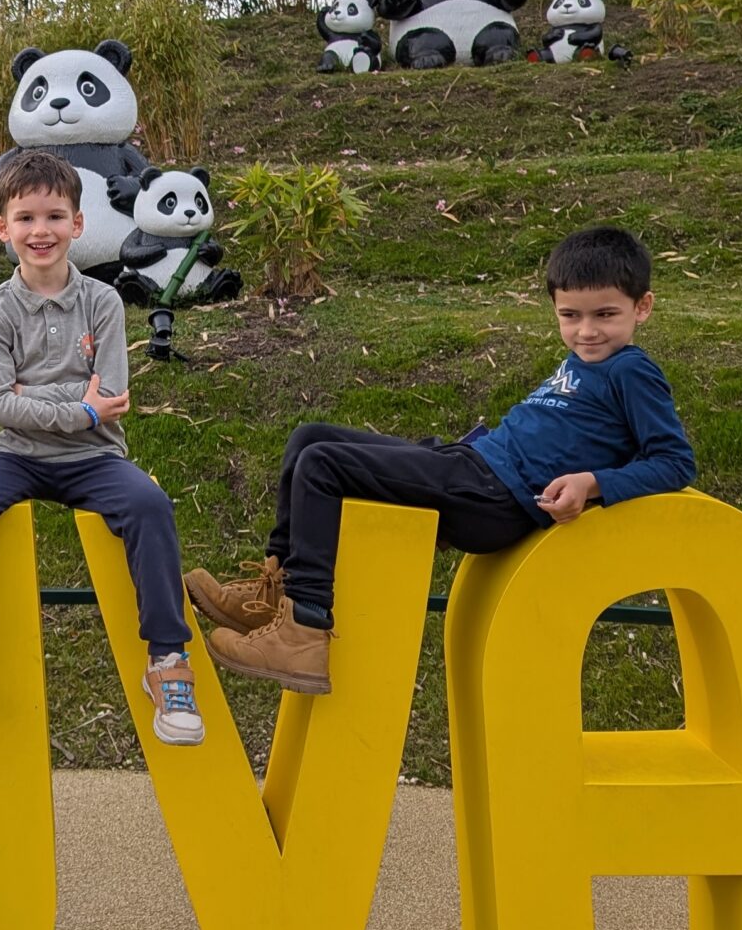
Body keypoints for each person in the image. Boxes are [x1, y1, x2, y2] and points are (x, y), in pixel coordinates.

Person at [192, 224, 696, 693]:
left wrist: (592, 483)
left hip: (495, 498)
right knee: (309, 438)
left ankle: (304, 628)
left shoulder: (631, 370)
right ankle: (273, 593)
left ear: (642, 307)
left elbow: (674, 461)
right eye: (571, 316)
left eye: (605, 315)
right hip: (473, 463)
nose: (586, 331)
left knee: (323, 465)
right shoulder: (588, 360)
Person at [0, 150, 204, 747]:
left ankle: (168, 660)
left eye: (54, 216)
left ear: (77, 223)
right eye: (25, 218)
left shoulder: (103, 302)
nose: (40, 231)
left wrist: (39, 395)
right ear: (3, 228)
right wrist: (78, 405)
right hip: (15, 455)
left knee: (149, 506)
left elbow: (113, 394)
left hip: (95, 457)